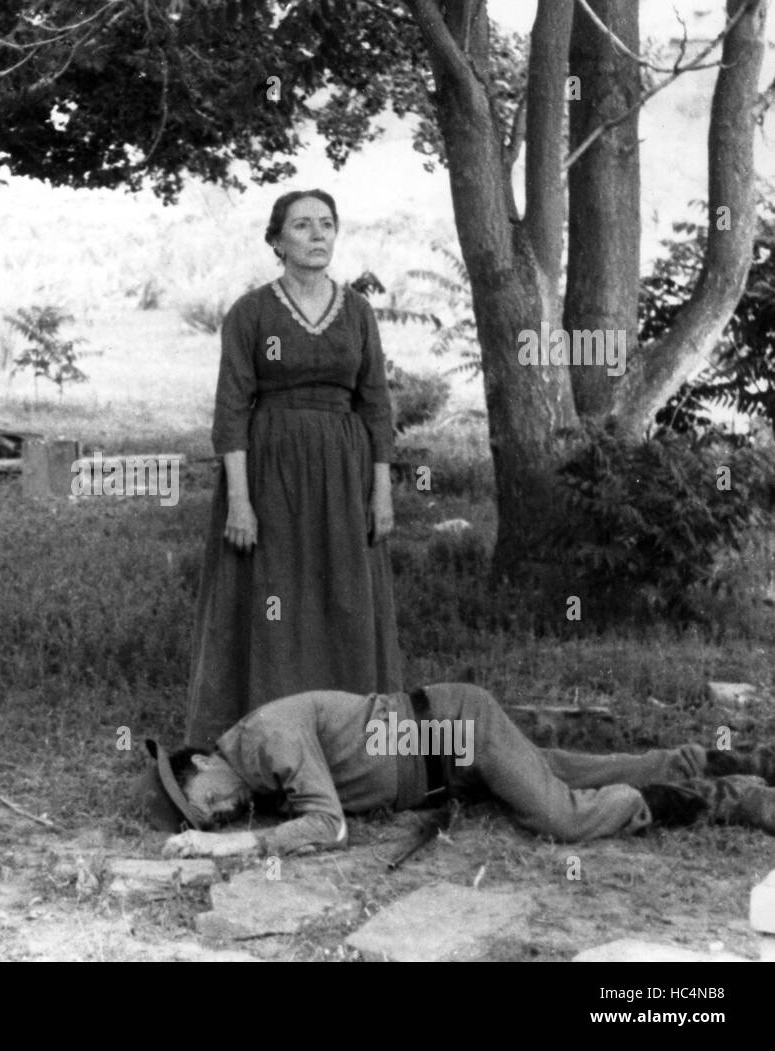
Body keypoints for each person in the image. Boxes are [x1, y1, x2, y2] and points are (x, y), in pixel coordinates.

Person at [184, 189, 402, 751]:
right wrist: (239, 500)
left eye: (326, 224)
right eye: (302, 226)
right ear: (276, 241)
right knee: (273, 598)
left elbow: (376, 405)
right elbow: (231, 410)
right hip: (269, 473)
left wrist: (381, 494)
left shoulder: (356, 312)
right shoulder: (251, 313)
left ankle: (349, 742)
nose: (317, 235)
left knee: (343, 596)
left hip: (343, 474)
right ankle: (262, 740)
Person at [134, 683, 775, 858]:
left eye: (203, 804)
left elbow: (328, 828)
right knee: (564, 770)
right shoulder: (251, 768)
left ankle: (729, 796)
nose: (215, 816)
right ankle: (728, 761)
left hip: (456, 729)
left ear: (201, 765)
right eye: (207, 820)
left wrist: (229, 848)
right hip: (447, 761)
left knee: (559, 816)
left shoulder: (267, 741)